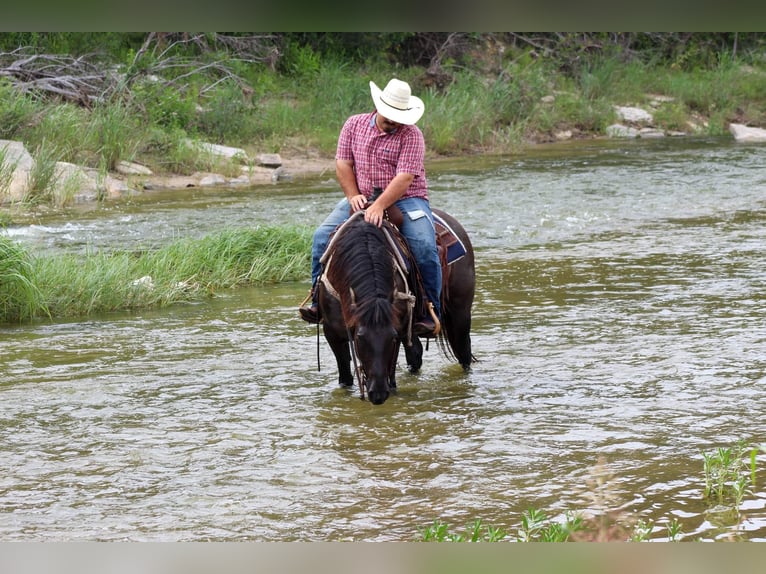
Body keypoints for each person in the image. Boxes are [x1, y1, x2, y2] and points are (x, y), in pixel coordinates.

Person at [299, 78, 442, 337]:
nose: (395, 122)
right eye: (390, 117)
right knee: (322, 236)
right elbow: (343, 164)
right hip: (362, 195)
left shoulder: (412, 135)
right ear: (379, 108)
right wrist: (353, 196)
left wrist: (379, 205)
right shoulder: (353, 125)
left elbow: (405, 177)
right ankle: (317, 300)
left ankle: (429, 310)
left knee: (424, 246)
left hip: (407, 198)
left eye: (399, 117)